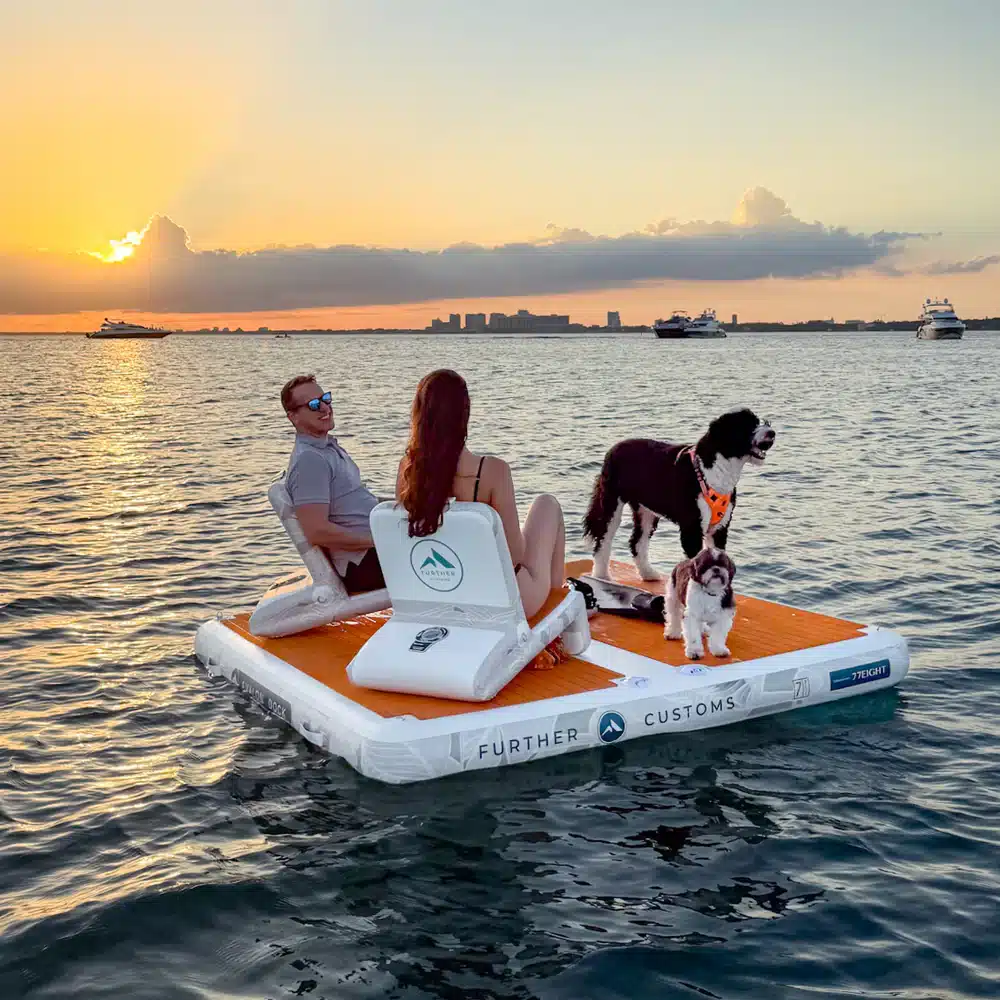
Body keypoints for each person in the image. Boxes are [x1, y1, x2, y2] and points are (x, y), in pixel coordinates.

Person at [395, 369, 566, 618]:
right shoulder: (492, 472)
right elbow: (515, 555)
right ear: (464, 415)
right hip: (506, 601)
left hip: (442, 597)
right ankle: (557, 610)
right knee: (546, 504)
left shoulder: (407, 471)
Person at [281, 374, 385, 594]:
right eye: (313, 405)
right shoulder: (310, 461)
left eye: (325, 399)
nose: (324, 408)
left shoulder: (327, 448)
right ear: (293, 417)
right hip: (364, 565)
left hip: (375, 552)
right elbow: (317, 531)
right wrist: (379, 540)